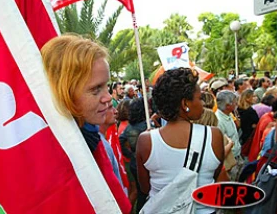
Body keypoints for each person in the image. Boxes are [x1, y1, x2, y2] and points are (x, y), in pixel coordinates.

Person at [40, 34, 131, 213]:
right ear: (64, 91)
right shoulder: (44, 158)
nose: (107, 98)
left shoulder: (101, 146)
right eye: (96, 89)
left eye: (107, 86)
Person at [136, 68, 226, 214]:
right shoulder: (214, 136)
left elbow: (145, 188)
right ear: (185, 104)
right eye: (199, 98)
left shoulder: (146, 141)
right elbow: (214, 175)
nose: (202, 103)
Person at [119, 98, 147, 213]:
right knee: (146, 193)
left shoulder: (129, 127)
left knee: (141, 193)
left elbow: (121, 139)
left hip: (134, 163)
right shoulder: (145, 125)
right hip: (145, 162)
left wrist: (130, 154)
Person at [215, 90, 244, 182]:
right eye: (235, 103)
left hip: (237, 156)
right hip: (229, 160)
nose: (237, 104)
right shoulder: (219, 121)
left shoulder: (229, 115)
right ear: (228, 105)